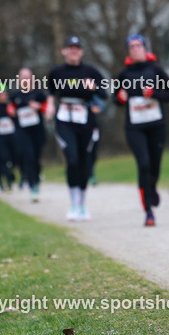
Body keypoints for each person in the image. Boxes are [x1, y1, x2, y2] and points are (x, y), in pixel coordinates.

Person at [115, 34, 169, 226]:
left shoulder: (155, 70)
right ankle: (148, 212)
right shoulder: (124, 74)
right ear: (128, 51)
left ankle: (151, 187)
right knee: (143, 164)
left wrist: (155, 94)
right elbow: (115, 99)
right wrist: (120, 97)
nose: (135, 49)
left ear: (145, 48)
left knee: (155, 166)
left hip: (156, 126)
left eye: (138, 45)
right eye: (132, 47)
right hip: (134, 128)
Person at [45, 36, 107, 221]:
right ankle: (73, 203)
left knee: (84, 162)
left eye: (77, 48)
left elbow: (104, 93)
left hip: (85, 118)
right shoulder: (57, 72)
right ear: (64, 50)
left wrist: (94, 88)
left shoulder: (91, 71)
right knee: (71, 159)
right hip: (64, 118)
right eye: (70, 48)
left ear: (81, 51)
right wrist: (49, 107)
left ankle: (82, 204)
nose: (74, 51)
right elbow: (50, 93)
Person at [10, 68, 48, 202]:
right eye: (22, 77)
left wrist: (39, 107)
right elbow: (9, 107)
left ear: (31, 78)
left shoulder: (39, 93)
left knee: (36, 158)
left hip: (37, 132)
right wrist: (11, 111)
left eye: (27, 77)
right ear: (19, 79)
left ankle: (36, 177)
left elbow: (47, 109)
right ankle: (33, 186)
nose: (25, 79)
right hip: (23, 133)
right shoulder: (15, 95)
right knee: (28, 157)